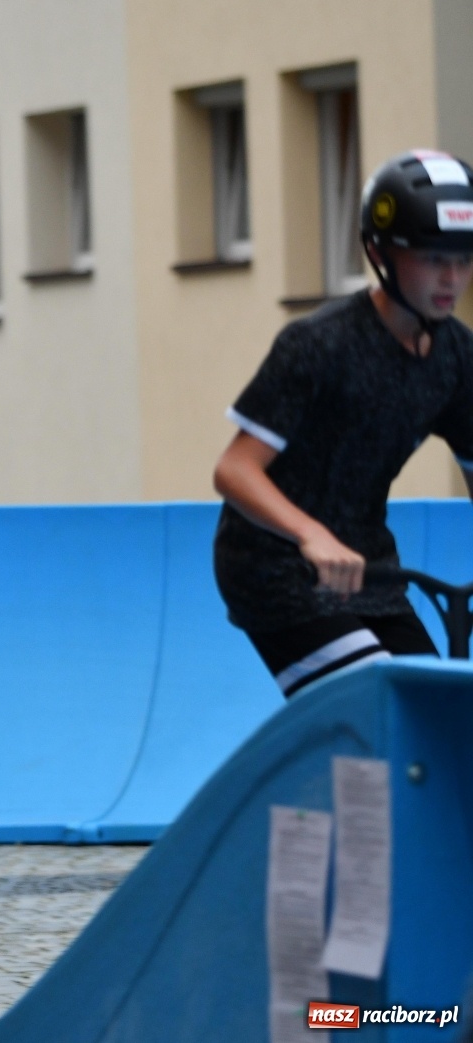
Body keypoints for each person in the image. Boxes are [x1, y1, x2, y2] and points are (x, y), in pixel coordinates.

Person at [214, 149, 473, 697]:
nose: (452, 278)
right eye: (433, 258)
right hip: (273, 567)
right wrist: (310, 535)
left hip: (370, 571)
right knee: (379, 701)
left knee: (437, 706)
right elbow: (234, 471)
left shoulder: (455, 355)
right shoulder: (318, 344)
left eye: (464, 259)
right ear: (379, 252)